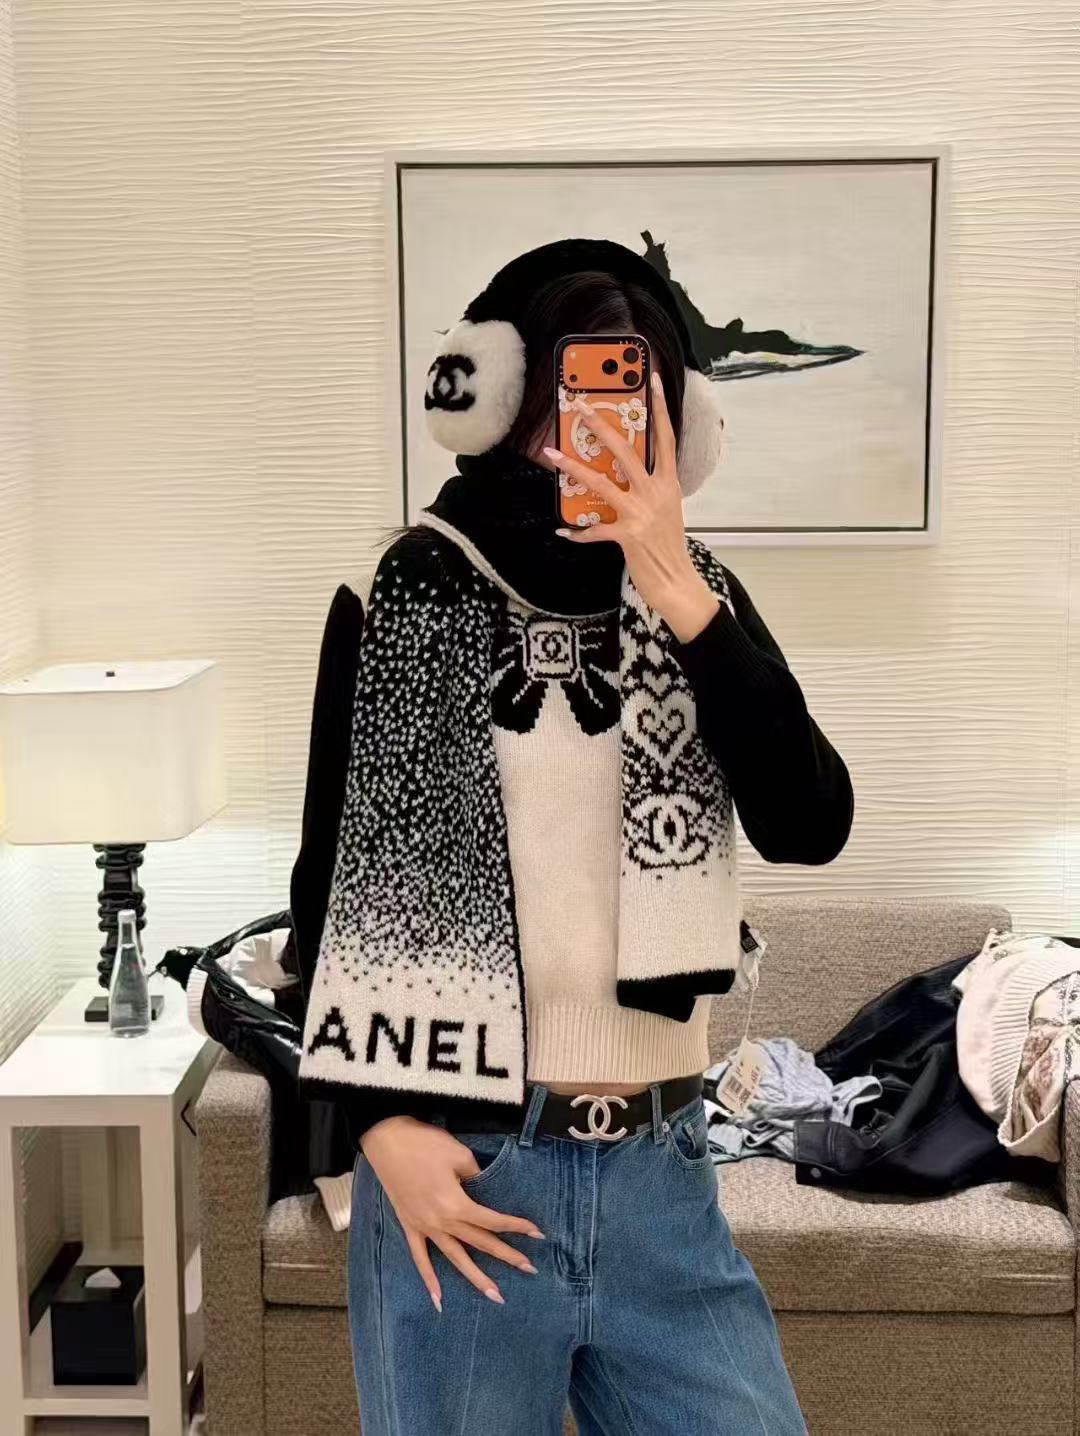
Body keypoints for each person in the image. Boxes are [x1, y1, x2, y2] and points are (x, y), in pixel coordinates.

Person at [296, 237, 853, 1434]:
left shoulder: (698, 595)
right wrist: (377, 1126)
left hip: (665, 1177)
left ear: (680, 425)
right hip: (469, 1172)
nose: (590, 434)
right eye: (568, 395)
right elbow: (329, 888)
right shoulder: (412, 587)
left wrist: (679, 589)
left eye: (628, 399)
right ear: (499, 404)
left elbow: (812, 821)